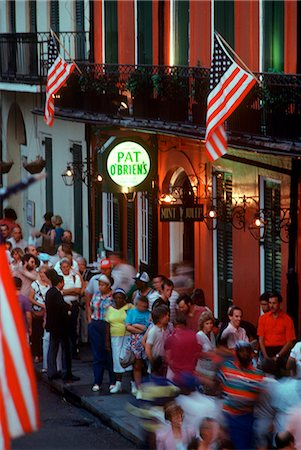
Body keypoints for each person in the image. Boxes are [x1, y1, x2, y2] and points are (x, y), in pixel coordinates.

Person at [217, 341, 264, 450]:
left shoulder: (258, 374)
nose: (244, 353)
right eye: (241, 351)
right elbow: (219, 388)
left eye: (247, 351)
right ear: (236, 353)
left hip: (246, 419)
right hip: (227, 417)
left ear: (251, 353)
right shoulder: (227, 367)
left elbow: (258, 398)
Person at [45, 269, 80, 382]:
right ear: (59, 283)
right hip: (61, 326)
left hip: (52, 326)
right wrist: (69, 307)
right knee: (66, 348)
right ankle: (66, 372)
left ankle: (52, 371)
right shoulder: (56, 294)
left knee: (53, 348)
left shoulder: (49, 292)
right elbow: (62, 307)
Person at [87, 274, 115, 392]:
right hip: (96, 324)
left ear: (108, 286)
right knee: (97, 354)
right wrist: (90, 320)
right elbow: (90, 307)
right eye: (99, 284)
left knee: (109, 354)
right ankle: (97, 381)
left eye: (102, 285)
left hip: (107, 326)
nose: (99, 287)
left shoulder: (113, 297)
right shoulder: (96, 295)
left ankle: (112, 381)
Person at [258, 292, 296, 373]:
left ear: (279, 304)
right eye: (270, 303)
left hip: (281, 352)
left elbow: (290, 342)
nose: (271, 305)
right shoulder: (263, 318)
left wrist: (277, 356)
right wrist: (265, 356)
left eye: (274, 303)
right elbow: (261, 339)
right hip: (266, 351)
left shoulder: (287, 320)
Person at [106, 288, 134, 393]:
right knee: (117, 359)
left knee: (129, 359)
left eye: (121, 298)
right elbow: (107, 325)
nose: (118, 300)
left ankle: (133, 384)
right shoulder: (110, 309)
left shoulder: (130, 307)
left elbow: (134, 319)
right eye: (116, 298)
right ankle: (118, 384)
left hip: (127, 336)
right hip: (115, 338)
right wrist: (107, 341)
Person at [165, 313, 201, 387]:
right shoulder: (194, 335)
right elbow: (197, 354)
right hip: (191, 375)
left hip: (175, 375)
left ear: (174, 326)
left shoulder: (170, 338)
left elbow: (168, 359)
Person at [125, 296, 151, 395]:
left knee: (147, 365)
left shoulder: (149, 314)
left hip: (146, 341)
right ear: (137, 305)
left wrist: (135, 325)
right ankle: (138, 386)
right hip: (135, 342)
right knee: (137, 365)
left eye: (146, 306)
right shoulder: (131, 312)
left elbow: (147, 328)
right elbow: (127, 327)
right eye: (143, 306)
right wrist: (141, 329)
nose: (144, 308)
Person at [59, 258, 82, 359]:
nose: (65, 269)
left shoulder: (74, 277)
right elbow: (58, 291)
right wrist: (71, 290)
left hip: (74, 304)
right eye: (63, 267)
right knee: (63, 327)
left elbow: (78, 290)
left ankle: (74, 350)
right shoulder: (59, 278)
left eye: (67, 267)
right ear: (60, 268)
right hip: (62, 305)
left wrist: (64, 291)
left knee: (73, 327)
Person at [29, 264, 50, 363]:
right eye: (40, 272)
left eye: (44, 273)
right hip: (37, 310)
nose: (42, 275)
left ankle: (44, 354)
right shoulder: (35, 284)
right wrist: (41, 306)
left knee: (45, 334)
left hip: (47, 312)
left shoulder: (50, 284)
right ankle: (37, 354)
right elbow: (30, 298)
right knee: (37, 333)